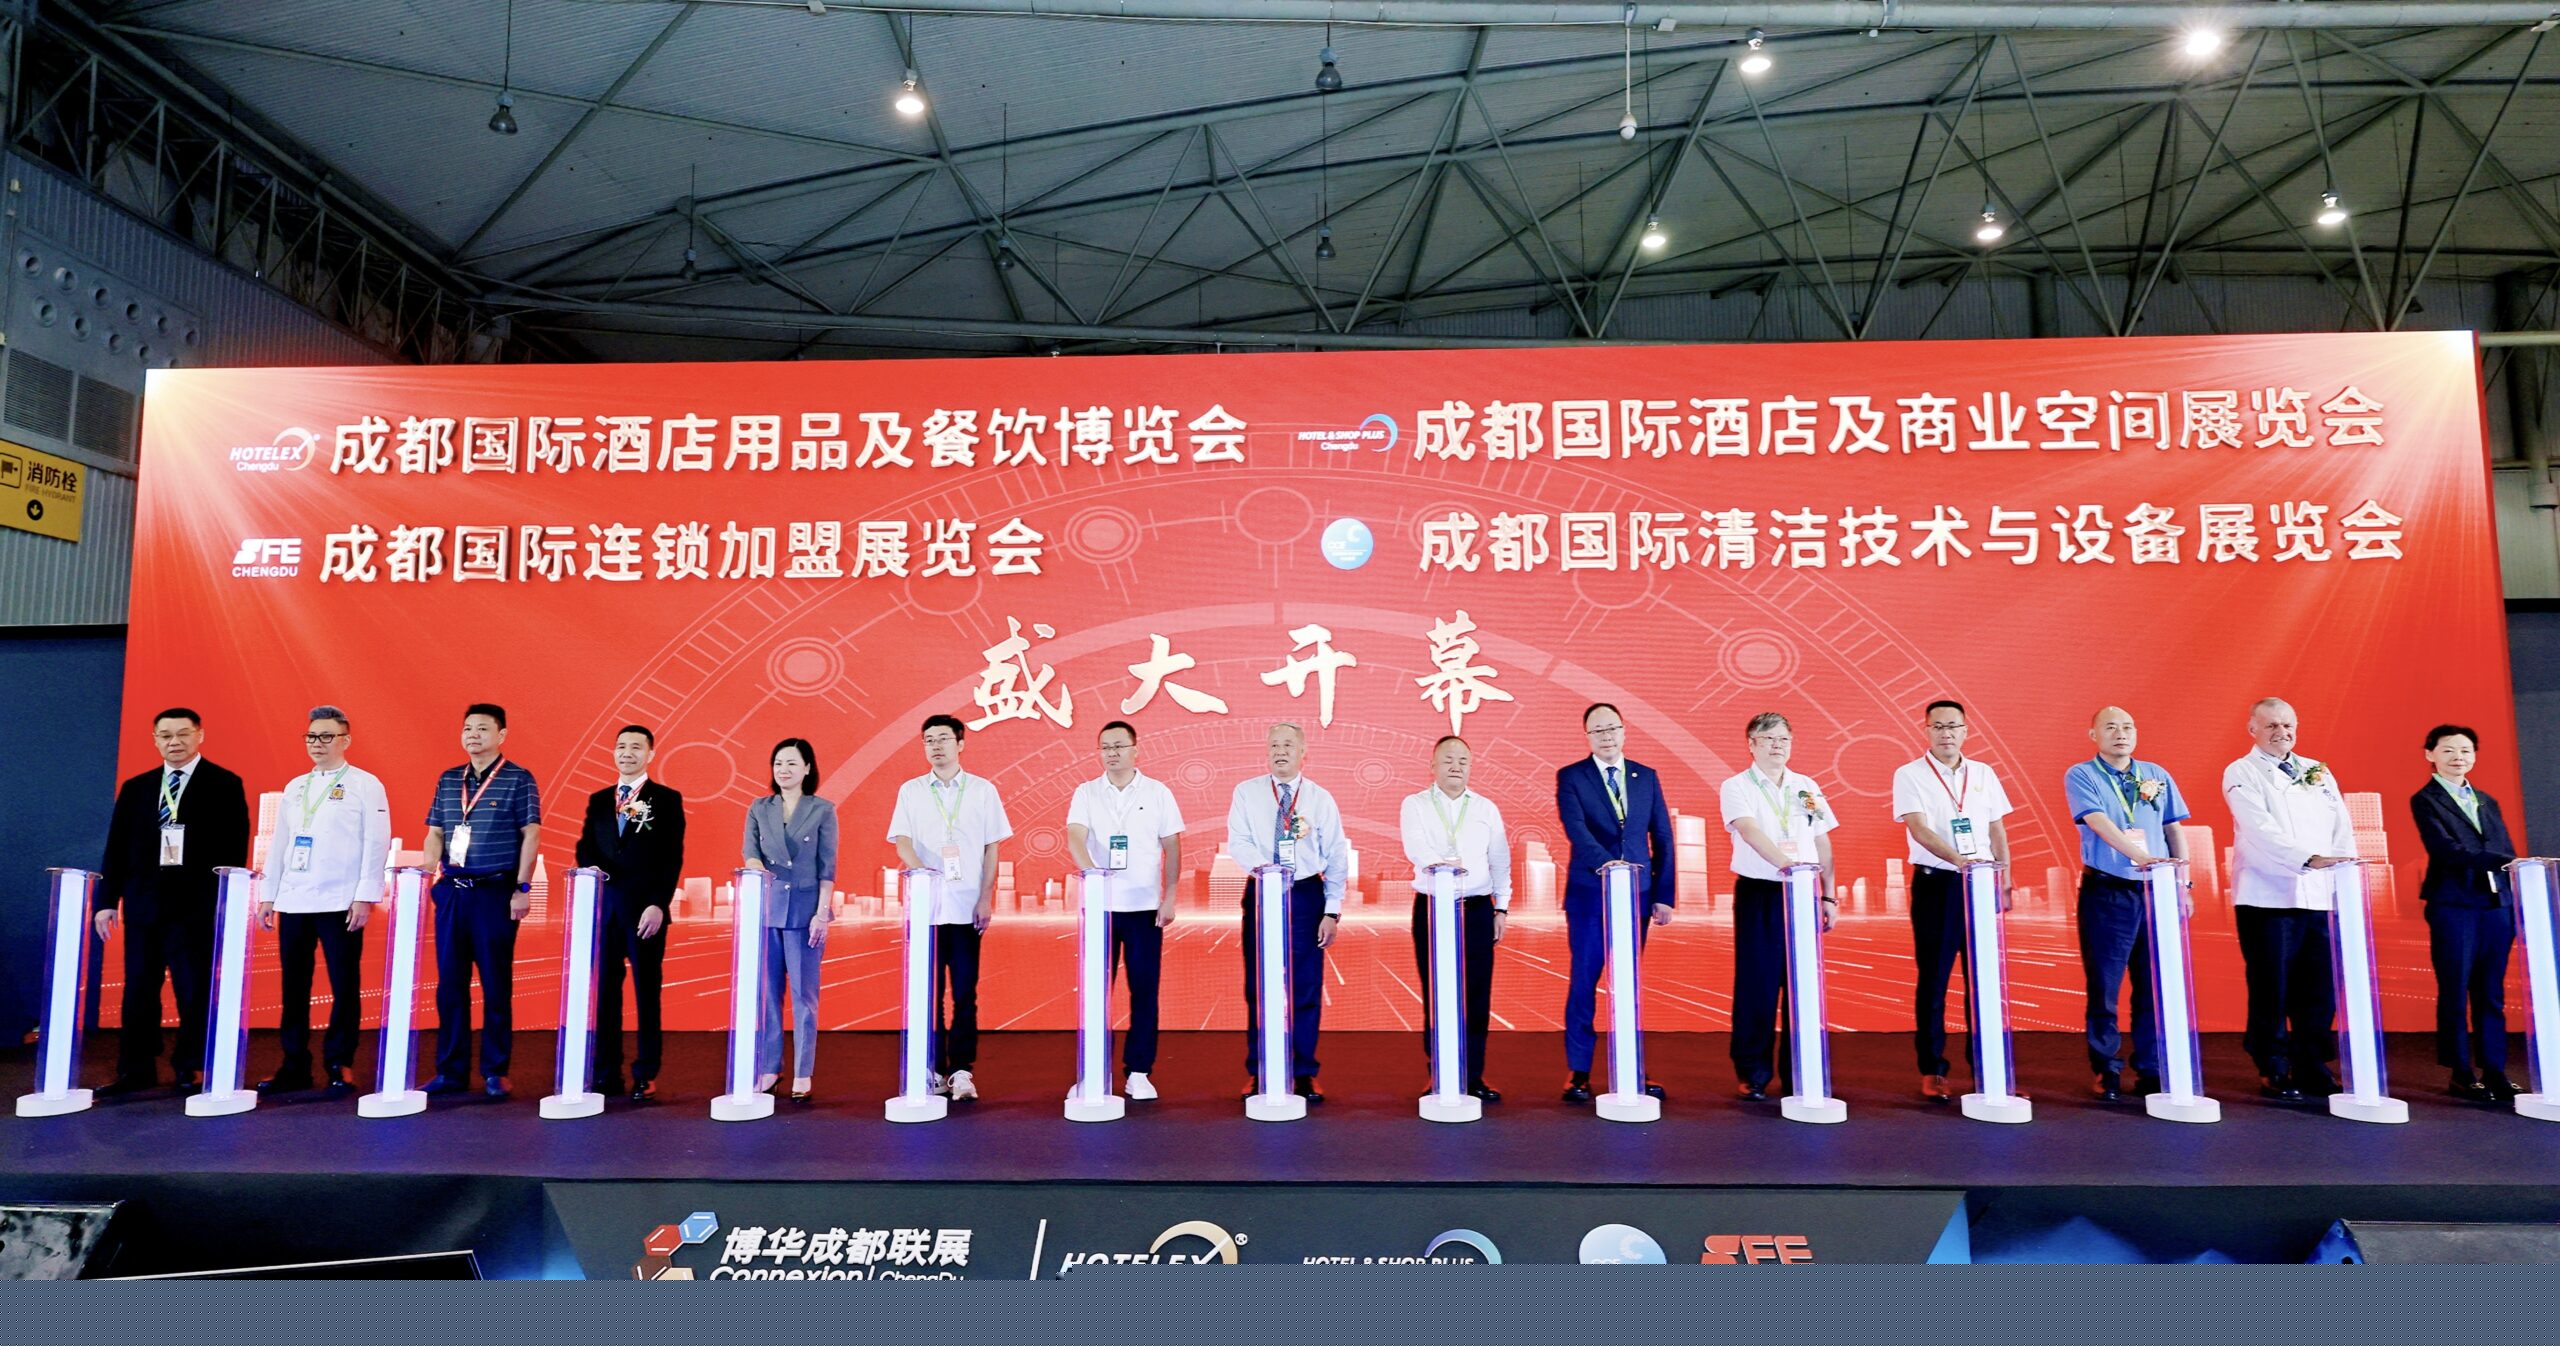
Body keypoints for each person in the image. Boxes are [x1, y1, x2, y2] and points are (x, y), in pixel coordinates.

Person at [94, 707, 251, 1096]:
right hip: (144, 904)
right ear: (155, 740)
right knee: (138, 989)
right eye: (165, 736)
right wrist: (106, 900)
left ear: (200, 735)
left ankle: (191, 1065)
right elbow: (117, 846)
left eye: (183, 734)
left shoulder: (224, 783)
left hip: (195, 907)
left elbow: (234, 849)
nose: (174, 742)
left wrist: (224, 902)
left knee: (193, 988)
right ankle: (136, 1068)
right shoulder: (137, 787)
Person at [2223, 697, 2358, 1103]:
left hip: (2318, 894)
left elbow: (2341, 824)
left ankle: (2311, 1062)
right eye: (2271, 726)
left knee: (2318, 987)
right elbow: (2259, 828)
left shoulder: (2318, 770)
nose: (2281, 732)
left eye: (2287, 725)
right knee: (2272, 985)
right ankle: (2273, 1064)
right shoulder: (2241, 771)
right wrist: (2307, 859)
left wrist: (2342, 868)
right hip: (2266, 895)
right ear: (2253, 730)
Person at [253, 706, 391, 1097]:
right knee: (293, 986)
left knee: (344, 984)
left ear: (345, 740)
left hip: (340, 900)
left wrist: (364, 895)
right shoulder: (296, 786)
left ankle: (339, 1062)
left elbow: (376, 840)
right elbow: (281, 843)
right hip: (294, 899)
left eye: (327, 736)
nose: (318, 743)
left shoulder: (365, 784)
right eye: (312, 736)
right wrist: (269, 895)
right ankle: (294, 1064)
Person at [2063, 705, 2192, 1103]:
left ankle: (2151, 1067)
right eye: (2111, 727)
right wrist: (2140, 856)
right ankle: (2107, 1068)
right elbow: (2097, 821)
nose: (2121, 733)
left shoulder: (2156, 774)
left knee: (2153, 985)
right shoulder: (2082, 774)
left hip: (2156, 890)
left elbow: (2173, 828)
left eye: (2128, 727)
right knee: (2105, 985)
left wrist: (2183, 882)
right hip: (2108, 892)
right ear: (2094, 735)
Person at [1890, 699, 2015, 1104]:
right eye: (1938, 726)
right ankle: (1933, 1069)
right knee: (1935, 979)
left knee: (1984, 980)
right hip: (1938, 884)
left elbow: (1996, 828)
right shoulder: (1909, 774)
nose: (1946, 733)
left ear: (1966, 731)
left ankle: (1988, 1070)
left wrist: (2004, 877)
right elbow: (1919, 829)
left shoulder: (1983, 773)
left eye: (1953, 726)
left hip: (1981, 882)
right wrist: (1961, 861)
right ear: (1926, 730)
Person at [1555, 702, 1675, 1105]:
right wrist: (1607, 865)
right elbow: (1576, 829)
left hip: (1637, 897)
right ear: (1587, 736)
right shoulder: (1572, 776)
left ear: (1623, 731)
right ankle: (1579, 1071)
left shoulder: (1646, 776)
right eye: (1598, 731)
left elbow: (1662, 836)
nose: (1606, 736)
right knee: (1584, 980)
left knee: (1627, 983)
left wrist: (1663, 895)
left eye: (1612, 728)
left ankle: (1631, 1066)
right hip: (1590, 895)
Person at [420, 703, 542, 1100]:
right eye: (468, 728)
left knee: (495, 983)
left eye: (483, 729)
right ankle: (451, 1071)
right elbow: (435, 832)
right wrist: (428, 873)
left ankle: (495, 1070)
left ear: (501, 735)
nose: (473, 735)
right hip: (453, 893)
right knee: (450, 986)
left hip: (495, 893)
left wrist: (522, 888)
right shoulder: (448, 779)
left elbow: (531, 834)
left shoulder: (518, 778)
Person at [888, 714, 1012, 1103]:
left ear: (960, 744)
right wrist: (920, 871)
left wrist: (986, 896)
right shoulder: (911, 790)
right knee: (927, 995)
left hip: (965, 908)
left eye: (943, 738)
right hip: (927, 908)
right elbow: (902, 840)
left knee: (964, 994)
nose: (936, 746)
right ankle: (929, 1069)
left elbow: (992, 847)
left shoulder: (982, 790)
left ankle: (960, 1070)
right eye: (929, 740)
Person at [1224, 722, 1349, 1104]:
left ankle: (1303, 1072)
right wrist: (1267, 871)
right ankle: (1260, 1069)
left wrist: (1332, 911)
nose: (1280, 751)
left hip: (1306, 894)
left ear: (1302, 752)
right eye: (1274, 745)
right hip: (1262, 890)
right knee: (1259, 985)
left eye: (1288, 745)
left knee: (1305, 986)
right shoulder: (1246, 792)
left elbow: (1336, 854)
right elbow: (1238, 841)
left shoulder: (1319, 798)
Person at [1719, 712, 1839, 1101]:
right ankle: (1752, 1072)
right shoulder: (1737, 786)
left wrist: (1828, 894)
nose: (1777, 745)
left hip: (1804, 891)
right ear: (1751, 744)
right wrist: (1788, 866)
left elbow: (1821, 840)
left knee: (1802, 984)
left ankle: (1800, 1071)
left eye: (1783, 739)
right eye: (1768, 738)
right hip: (1761, 891)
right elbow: (1750, 831)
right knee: (1758, 982)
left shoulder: (1806, 786)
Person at [1063, 719, 1183, 1101]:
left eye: (1118, 746)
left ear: (1135, 750)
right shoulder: (1086, 792)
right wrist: (1091, 874)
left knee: (1144, 990)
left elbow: (1172, 846)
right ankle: (1093, 1072)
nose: (1111, 753)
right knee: (1096, 993)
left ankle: (1139, 1072)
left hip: (1145, 908)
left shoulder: (1158, 792)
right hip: (1100, 907)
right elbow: (1075, 835)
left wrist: (1170, 895)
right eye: (1105, 747)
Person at [574, 724, 686, 1104]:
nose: (627, 753)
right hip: (605, 911)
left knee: (646, 993)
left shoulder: (666, 800)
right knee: (605, 993)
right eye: (621, 746)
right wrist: (590, 869)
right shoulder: (599, 800)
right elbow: (586, 847)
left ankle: (645, 1073)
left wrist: (658, 903)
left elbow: (671, 857)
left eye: (636, 747)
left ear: (650, 754)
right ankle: (606, 1072)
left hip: (645, 912)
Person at [2409, 724, 2520, 1103]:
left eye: (2466, 750)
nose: (2458, 757)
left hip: (2495, 905)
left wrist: (2511, 871)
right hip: (2454, 904)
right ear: (2430, 755)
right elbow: (2445, 850)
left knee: (2491, 992)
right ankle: (2460, 1072)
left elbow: (2504, 846)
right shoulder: (2425, 799)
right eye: (2448, 750)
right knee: (2455, 989)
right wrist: (2504, 861)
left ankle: (2495, 1070)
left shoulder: (2486, 800)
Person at [1400, 734, 1509, 1103]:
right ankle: (1440, 1074)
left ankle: (1473, 1075)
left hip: (1477, 908)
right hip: (1433, 906)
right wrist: (1446, 868)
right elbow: (1417, 848)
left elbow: (1499, 860)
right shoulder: (1415, 804)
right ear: (1432, 765)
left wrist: (1501, 906)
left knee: (1476, 995)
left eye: (1463, 760)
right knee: (1437, 992)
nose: (1455, 766)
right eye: (1448, 759)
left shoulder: (1485, 808)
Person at [742, 737, 834, 1104]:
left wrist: (822, 914)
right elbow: (750, 853)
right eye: (779, 762)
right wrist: (757, 869)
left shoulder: (822, 809)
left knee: (804, 997)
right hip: (768, 911)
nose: (784, 769)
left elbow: (827, 868)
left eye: (792, 763)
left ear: (807, 768)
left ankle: (803, 1071)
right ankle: (769, 1067)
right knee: (767, 995)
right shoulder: (759, 807)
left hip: (805, 912)